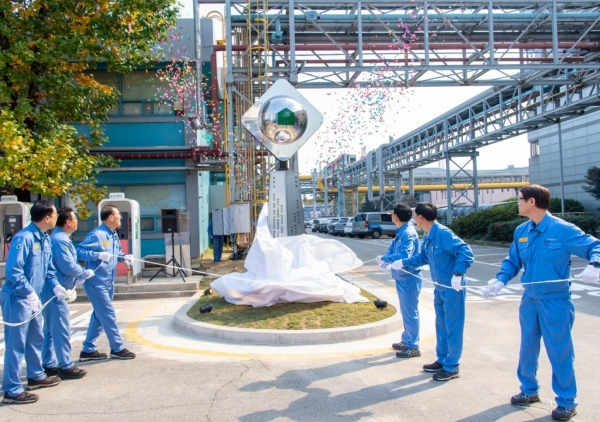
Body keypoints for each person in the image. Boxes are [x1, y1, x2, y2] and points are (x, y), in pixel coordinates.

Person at [483, 185, 600, 421]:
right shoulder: (522, 231)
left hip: (555, 301)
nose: (518, 203)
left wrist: (594, 264)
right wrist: (500, 280)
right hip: (530, 299)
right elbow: (512, 260)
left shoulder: (562, 230)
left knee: (560, 351)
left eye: (520, 199)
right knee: (527, 347)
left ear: (532, 202)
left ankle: (567, 402)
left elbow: (594, 246)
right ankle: (529, 390)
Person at [391, 202, 473, 381]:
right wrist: (404, 262)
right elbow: (423, 257)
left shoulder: (442, 234)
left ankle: (452, 366)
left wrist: (458, 273)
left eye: (415, 216)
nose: (413, 219)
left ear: (421, 217)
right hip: (439, 288)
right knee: (441, 326)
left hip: (452, 289)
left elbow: (465, 251)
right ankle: (442, 359)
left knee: (453, 327)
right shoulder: (429, 236)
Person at [1, 200, 62, 404]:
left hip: (34, 299)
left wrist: (55, 285)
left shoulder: (44, 238)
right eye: (54, 215)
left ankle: (36, 376)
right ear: (46, 218)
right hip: (18, 298)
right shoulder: (24, 238)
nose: (56, 218)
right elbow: (13, 271)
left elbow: (48, 269)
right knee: (16, 343)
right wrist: (28, 292)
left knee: (36, 338)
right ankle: (11, 389)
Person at [40, 207, 95, 380]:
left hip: (56, 289)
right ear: (68, 222)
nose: (77, 221)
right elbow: (68, 265)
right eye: (75, 218)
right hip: (55, 291)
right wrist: (84, 273)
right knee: (61, 328)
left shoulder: (61, 238)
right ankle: (65, 365)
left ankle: (49, 363)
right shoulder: (59, 240)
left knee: (50, 329)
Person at [76, 205, 136, 361]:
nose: (120, 218)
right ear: (110, 217)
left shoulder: (113, 234)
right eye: (118, 215)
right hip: (96, 283)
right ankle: (117, 348)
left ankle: (88, 350)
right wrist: (97, 255)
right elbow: (78, 251)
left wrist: (124, 257)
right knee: (108, 314)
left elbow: (116, 254)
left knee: (98, 316)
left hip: (108, 282)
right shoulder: (97, 235)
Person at [376, 204, 422, 358]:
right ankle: (407, 340)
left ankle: (413, 346)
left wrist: (385, 259)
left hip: (409, 277)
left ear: (396, 216)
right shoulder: (402, 231)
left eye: (392, 213)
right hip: (402, 276)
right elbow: (392, 249)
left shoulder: (407, 233)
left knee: (410, 311)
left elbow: (404, 254)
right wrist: (385, 259)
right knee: (406, 310)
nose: (391, 216)